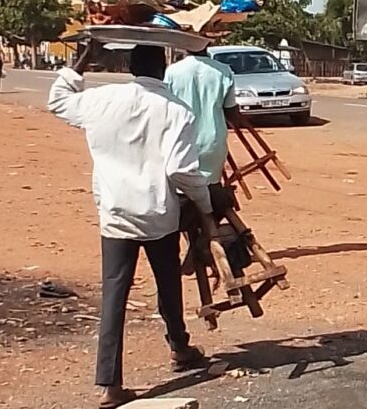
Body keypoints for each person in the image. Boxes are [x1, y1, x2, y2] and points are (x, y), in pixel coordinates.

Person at [48, 42, 218, 409]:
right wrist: (203, 203)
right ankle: (179, 345)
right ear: (163, 68)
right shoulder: (177, 111)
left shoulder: (103, 100)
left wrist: (86, 54)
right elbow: (181, 171)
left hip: (115, 213)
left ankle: (110, 384)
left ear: (129, 66)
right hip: (159, 213)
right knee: (168, 283)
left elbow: (59, 100)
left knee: (115, 295)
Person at [164, 48, 243, 187]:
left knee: (180, 190)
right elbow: (231, 111)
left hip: (180, 141)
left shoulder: (172, 71)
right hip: (212, 143)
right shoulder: (223, 71)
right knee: (210, 187)